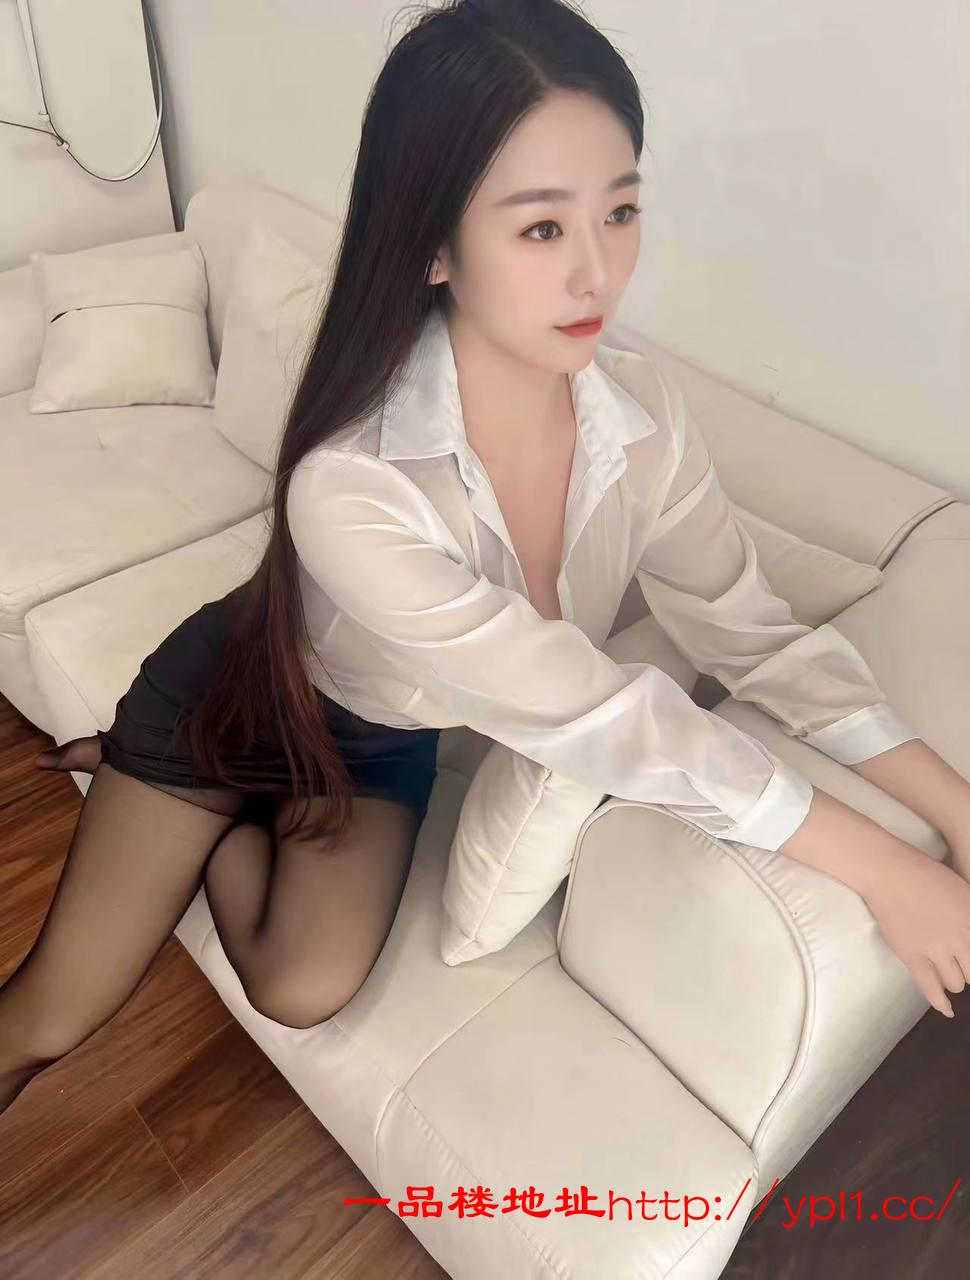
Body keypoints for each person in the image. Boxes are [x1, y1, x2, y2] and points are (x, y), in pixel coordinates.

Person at [5, 0, 970, 1120]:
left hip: (380, 736)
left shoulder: (645, 422)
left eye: (620, 211)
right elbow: (606, 716)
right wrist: (888, 868)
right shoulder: (354, 485)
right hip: (242, 688)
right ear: (431, 243)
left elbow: (752, 631)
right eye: (542, 229)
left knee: (301, 983)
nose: (598, 273)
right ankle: (157, 766)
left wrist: (956, 808)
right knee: (49, 1017)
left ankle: (213, 823)